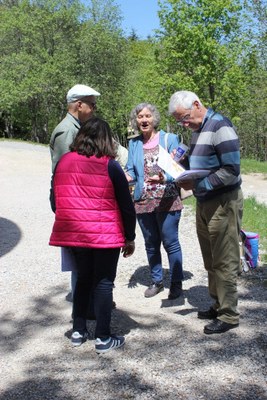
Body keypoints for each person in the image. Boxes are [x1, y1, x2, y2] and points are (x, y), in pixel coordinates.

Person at [49, 117, 136, 353]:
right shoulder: (110, 165)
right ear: (106, 140)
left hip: (75, 233)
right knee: (104, 283)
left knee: (83, 279)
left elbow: (56, 199)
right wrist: (130, 237)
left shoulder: (64, 162)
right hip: (104, 234)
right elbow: (127, 206)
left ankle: (78, 331)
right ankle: (103, 338)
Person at [168, 90, 243, 334]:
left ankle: (229, 315)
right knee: (210, 258)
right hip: (204, 202)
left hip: (223, 202)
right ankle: (218, 303)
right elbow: (197, 163)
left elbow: (231, 169)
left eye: (185, 117)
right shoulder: (198, 131)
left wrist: (199, 185)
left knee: (224, 259)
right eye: (179, 120)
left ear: (197, 105)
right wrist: (177, 165)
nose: (184, 123)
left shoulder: (221, 126)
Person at [125, 103, 184, 300]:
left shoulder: (169, 139)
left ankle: (176, 284)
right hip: (143, 200)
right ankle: (157, 281)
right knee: (151, 244)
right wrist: (122, 176)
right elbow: (131, 170)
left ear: (154, 119)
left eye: (147, 116)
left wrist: (165, 178)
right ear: (136, 121)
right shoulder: (133, 144)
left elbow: (179, 168)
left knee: (170, 242)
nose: (144, 119)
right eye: (140, 116)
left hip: (167, 199)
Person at [50, 84, 100, 299]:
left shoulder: (76, 127)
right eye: (92, 104)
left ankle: (87, 299)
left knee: (85, 254)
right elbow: (66, 173)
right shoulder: (67, 131)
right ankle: (83, 305)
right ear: (79, 105)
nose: (94, 109)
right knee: (79, 257)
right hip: (72, 201)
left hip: (78, 200)